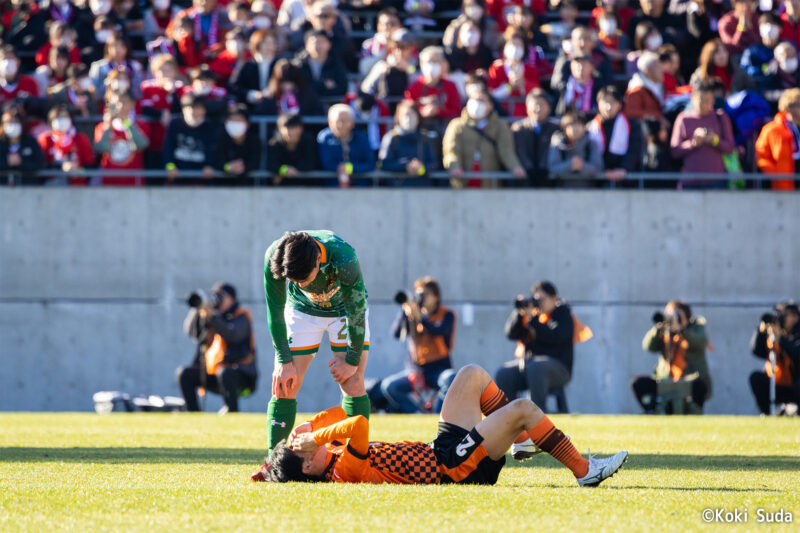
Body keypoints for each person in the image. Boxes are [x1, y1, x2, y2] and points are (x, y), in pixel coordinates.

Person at [255, 364, 628, 487]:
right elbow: (356, 422)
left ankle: (525, 441)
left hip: (441, 452)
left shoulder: (328, 454)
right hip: (454, 469)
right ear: (307, 465)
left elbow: (336, 417)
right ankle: (584, 471)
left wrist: (303, 428)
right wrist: (314, 437)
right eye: (306, 448)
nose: (311, 442)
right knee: (524, 407)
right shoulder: (342, 471)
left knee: (471, 375)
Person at [262, 230, 371, 453]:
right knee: (284, 385)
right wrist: (283, 359)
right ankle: (274, 460)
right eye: (294, 281)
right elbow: (275, 311)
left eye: (304, 279)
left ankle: (355, 458)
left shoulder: (344, 257)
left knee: (353, 382)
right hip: (301, 312)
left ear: (318, 261)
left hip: (344, 311)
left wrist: (351, 361)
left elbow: (357, 312)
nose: (300, 285)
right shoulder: (276, 254)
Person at [495, 281, 591, 418]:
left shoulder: (564, 316)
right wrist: (520, 314)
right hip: (531, 367)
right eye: (536, 299)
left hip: (559, 369)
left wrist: (532, 319)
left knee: (536, 367)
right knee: (504, 373)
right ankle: (509, 417)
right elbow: (511, 333)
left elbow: (555, 337)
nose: (538, 303)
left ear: (554, 298)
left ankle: (536, 416)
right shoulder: (533, 316)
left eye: (542, 299)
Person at [177, 282, 258, 414]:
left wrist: (213, 318)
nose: (217, 299)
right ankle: (193, 413)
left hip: (242, 376)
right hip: (216, 373)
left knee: (225, 372)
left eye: (221, 296)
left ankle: (231, 410)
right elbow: (192, 333)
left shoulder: (241, 316)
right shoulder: (213, 316)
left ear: (231, 299)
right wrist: (198, 308)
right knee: (184, 374)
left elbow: (233, 335)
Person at [379, 277, 457, 414]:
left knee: (451, 378)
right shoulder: (412, 315)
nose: (421, 297)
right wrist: (405, 312)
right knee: (389, 386)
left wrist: (420, 318)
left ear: (436, 297)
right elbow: (396, 334)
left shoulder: (447, 315)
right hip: (415, 370)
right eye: (419, 294)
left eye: (425, 294)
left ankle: (439, 415)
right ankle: (417, 413)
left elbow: (439, 330)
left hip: (439, 369)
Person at [631, 300, 712, 414]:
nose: (672, 318)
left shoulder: (695, 328)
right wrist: (659, 328)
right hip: (665, 381)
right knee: (638, 382)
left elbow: (700, 343)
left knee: (699, 385)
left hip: (688, 380)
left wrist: (682, 330)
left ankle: (695, 411)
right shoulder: (664, 331)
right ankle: (651, 410)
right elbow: (648, 346)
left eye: (676, 315)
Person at [442, 87, 526, 188]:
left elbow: (506, 151)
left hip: (490, 185)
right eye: (473, 100)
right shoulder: (456, 125)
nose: (476, 103)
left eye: (481, 101)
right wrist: (454, 166)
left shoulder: (499, 125)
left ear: (490, 105)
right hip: (462, 184)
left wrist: (515, 167)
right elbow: (451, 150)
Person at [670, 80, 735, 186]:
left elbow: (730, 148)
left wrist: (714, 140)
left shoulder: (721, 117)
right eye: (701, 100)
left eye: (708, 100)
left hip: (717, 183)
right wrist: (693, 143)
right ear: (693, 98)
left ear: (713, 100)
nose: (705, 105)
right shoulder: (683, 118)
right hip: (690, 184)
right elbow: (674, 151)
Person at [749, 302, 800, 415]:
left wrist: (780, 339)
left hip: (795, 383)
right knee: (756, 378)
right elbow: (757, 351)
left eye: (783, 315)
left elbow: (796, 353)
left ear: (795, 317)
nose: (780, 319)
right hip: (778, 382)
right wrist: (761, 333)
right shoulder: (774, 334)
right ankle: (767, 415)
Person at [93, 90, 150, 186]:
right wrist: (109, 125)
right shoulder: (103, 126)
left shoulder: (141, 124)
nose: (119, 106)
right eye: (115, 103)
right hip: (109, 183)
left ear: (133, 104)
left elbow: (140, 145)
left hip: (133, 184)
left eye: (123, 102)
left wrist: (126, 123)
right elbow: (101, 148)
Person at [587, 85, 643, 182]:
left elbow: (634, 149)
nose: (608, 107)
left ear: (620, 105)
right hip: (598, 177)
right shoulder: (590, 127)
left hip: (626, 177)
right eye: (605, 102)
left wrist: (624, 169)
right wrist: (602, 171)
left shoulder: (631, 124)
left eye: (612, 102)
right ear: (598, 104)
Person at [378, 101, 437, 186]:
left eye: (412, 114)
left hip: (422, 189)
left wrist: (421, 168)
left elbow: (434, 164)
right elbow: (383, 163)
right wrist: (405, 166)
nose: (409, 118)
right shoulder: (391, 138)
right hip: (396, 189)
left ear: (418, 117)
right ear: (399, 118)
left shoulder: (425, 138)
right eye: (405, 115)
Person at [162, 94, 219, 183]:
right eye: (189, 108)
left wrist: (209, 165)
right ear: (183, 110)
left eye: (198, 108)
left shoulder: (209, 126)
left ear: (204, 110)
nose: (193, 112)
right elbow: (168, 147)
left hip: (201, 178)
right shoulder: (175, 124)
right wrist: (170, 166)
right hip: (177, 176)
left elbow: (211, 149)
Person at [317, 104, 376, 187]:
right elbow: (326, 163)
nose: (340, 125)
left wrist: (349, 168)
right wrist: (340, 169)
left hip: (360, 188)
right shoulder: (324, 138)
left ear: (352, 122)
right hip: (331, 188)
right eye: (336, 121)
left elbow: (370, 163)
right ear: (329, 122)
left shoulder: (362, 138)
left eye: (344, 121)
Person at [404, 46, 463, 127]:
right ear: (421, 64)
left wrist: (438, 111)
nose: (432, 65)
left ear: (443, 65)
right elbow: (407, 110)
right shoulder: (414, 87)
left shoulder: (451, 86)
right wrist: (423, 111)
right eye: (428, 62)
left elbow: (456, 112)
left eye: (435, 62)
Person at [511, 88, 559, 186]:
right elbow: (520, 151)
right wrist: (529, 170)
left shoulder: (555, 128)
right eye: (535, 105)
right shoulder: (518, 128)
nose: (538, 109)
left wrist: (543, 169)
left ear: (549, 108)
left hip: (548, 181)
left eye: (541, 105)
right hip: (523, 180)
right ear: (527, 108)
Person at [755, 88, 800, 191]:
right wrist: (776, 175)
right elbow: (761, 156)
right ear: (788, 107)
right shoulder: (771, 129)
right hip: (784, 182)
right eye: (797, 105)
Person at [37, 104, 95, 185]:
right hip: (53, 186)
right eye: (58, 118)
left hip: (78, 186)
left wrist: (78, 171)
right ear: (51, 121)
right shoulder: (45, 139)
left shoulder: (81, 139)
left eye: (65, 117)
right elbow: (41, 166)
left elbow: (90, 166)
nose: (62, 121)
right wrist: (61, 168)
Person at [488, 33, 541, 117]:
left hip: (525, 114)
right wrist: (509, 87)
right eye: (512, 44)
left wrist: (524, 84)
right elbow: (492, 94)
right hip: (501, 114)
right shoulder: (497, 68)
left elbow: (537, 93)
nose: (515, 48)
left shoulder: (531, 69)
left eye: (519, 45)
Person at [547, 111, 603, 185]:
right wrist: (570, 165)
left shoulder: (591, 144)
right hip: (561, 192)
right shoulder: (557, 144)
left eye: (578, 124)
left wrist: (582, 166)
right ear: (564, 128)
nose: (575, 128)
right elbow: (552, 168)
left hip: (588, 192)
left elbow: (599, 168)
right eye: (571, 125)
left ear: (584, 127)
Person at [267, 113, 319, 185]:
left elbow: (310, 163)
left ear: (301, 128)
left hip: (307, 186)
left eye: (295, 127)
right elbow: (271, 164)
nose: (292, 132)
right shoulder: (274, 144)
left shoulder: (308, 141)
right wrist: (283, 170)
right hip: (283, 187)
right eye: (289, 128)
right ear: (280, 129)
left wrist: (291, 170)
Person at [293, 29, 347, 98]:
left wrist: (316, 89)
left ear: (329, 44)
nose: (318, 45)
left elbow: (342, 88)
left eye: (322, 42)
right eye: (315, 42)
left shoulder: (336, 63)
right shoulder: (299, 64)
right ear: (306, 45)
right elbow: (300, 88)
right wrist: (323, 85)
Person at [0, 107, 45, 185]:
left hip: (28, 188)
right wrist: (7, 162)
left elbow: (40, 164)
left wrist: (21, 162)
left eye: (16, 122)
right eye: (9, 122)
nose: (12, 126)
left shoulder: (31, 142)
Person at [216, 104, 260, 180]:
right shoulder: (220, 139)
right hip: (222, 184)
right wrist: (228, 167)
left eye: (239, 120)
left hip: (248, 184)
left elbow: (255, 162)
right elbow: (216, 161)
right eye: (232, 120)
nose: (235, 124)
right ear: (226, 123)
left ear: (247, 124)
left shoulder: (255, 141)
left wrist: (244, 167)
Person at [624, 51, 664, 121]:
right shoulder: (636, 89)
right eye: (657, 67)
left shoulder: (659, 84)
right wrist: (658, 116)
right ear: (647, 71)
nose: (661, 70)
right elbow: (631, 112)